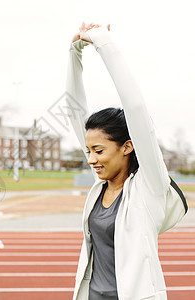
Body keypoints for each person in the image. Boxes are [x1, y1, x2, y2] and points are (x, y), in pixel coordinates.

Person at [66, 22, 188, 300]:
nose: (92, 160)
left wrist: (102, 42)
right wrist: (74, 52)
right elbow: (74, 110)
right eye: (88, 152)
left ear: (127, 147)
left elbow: (135, 107)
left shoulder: (149, 188)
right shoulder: (99, 190)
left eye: (99, 150)